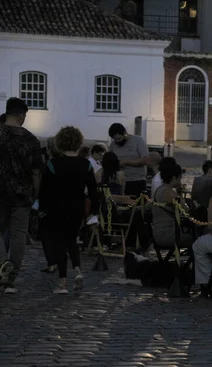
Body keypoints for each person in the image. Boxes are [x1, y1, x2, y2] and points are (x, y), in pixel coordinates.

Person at [38, 126, 98, 294]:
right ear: (78, 142)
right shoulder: (85, 164)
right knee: (72, 240)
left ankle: (63, 283)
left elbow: (45, 190)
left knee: (59, 243)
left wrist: (41, 208)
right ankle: (78, 270)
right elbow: (93, 190)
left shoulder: (53, 164)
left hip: (56, 208)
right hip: (77, 207)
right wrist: (94, 208)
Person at [0, 98, 44, 294]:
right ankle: (11, 277)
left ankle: (2, 265)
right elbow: (36, 172)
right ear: (21, 115)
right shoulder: (31, 140)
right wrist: (35, 193)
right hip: (22, 193)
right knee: (18, 234)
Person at [151, 162, 194, 249]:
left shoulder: (159, 189)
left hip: (158, 232)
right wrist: (180, 194)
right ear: (174, 178)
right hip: (168, 234)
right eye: (180, 178)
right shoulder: (169, 193)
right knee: (199, 236)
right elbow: (186, 211)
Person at [107, 123, 149, 197]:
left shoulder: (138, 140)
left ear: (125, 133)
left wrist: (127, 162)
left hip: (137, 180)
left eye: (119, 138)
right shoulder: (113, 145)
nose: (117, 141)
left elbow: (145, 160)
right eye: (115, 139)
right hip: (120, 182)